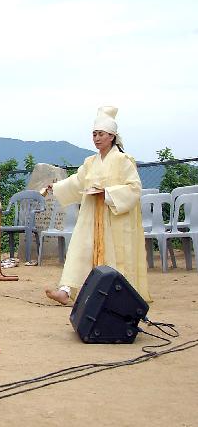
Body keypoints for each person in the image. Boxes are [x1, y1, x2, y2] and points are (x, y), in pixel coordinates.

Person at [45, 106, 150, 304]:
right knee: (80, 249)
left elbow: (134, 188)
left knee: (114, 256)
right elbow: (78, 181)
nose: (96, 138)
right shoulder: (90, 162)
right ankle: (66, 290)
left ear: (111, 136)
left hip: (114, 216)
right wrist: (57, 186)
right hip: (91, 215)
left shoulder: (123, 160)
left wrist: (108, 192)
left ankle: (115, 294)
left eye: (100, 134)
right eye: (94, 134)